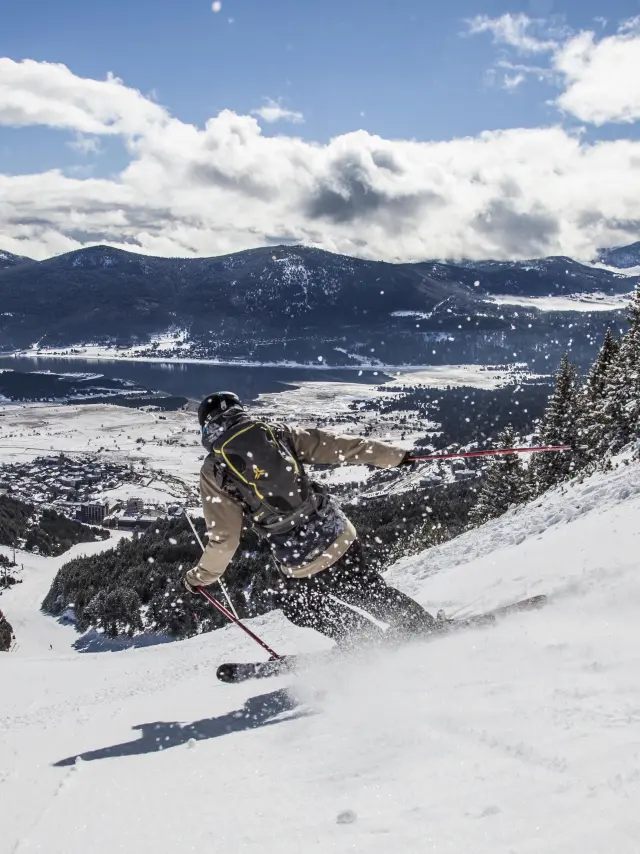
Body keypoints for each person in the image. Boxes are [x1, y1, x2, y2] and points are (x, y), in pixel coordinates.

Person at [184, 391, 437, 645]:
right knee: (365, 590)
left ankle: (364, 641)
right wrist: (393, 456)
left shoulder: (214, 469)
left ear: (206, 426)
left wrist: (200, 577)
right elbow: (336, 445)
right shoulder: (276, 433)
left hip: (298, 554)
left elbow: (225, 539)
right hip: (336, 531)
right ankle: (421, 626)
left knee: (295, 602)